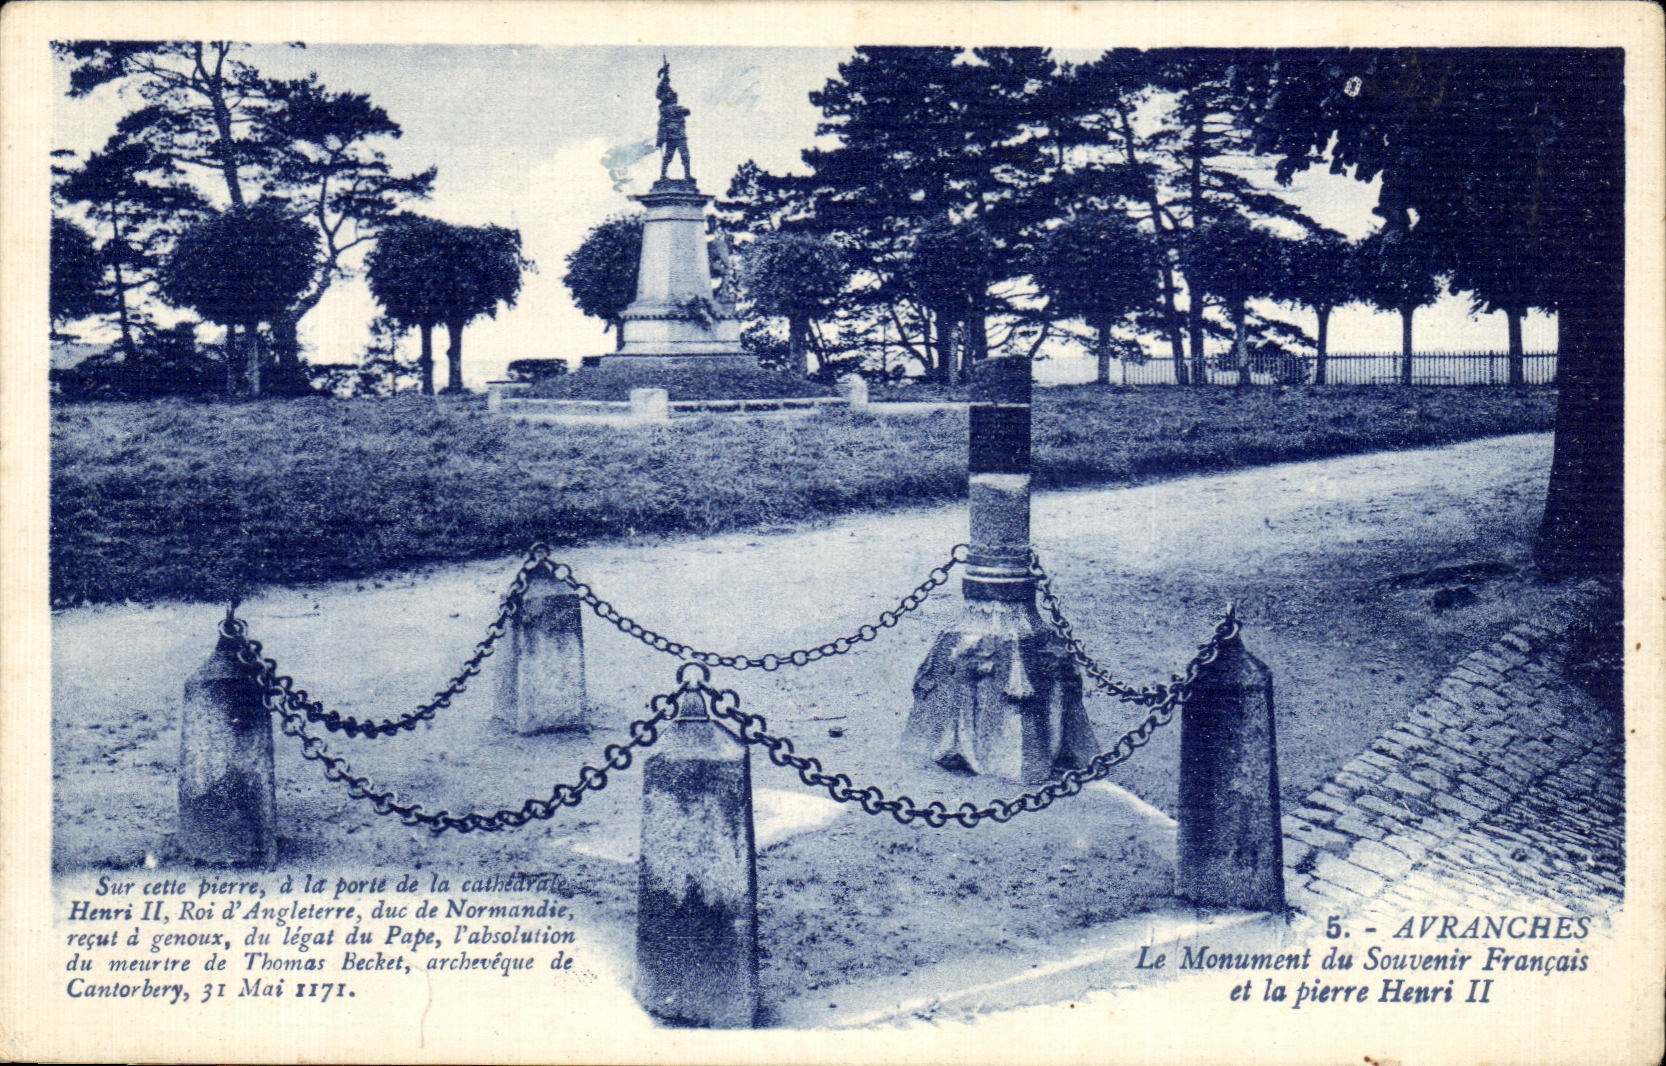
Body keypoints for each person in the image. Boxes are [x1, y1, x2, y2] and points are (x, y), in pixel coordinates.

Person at [655, 60, 693, 181]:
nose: (674, 97)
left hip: (680, 135)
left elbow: (687, 112)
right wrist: (664, 76)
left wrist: (666, 74)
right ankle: (663, 175)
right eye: (671, 96)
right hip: (671, 135)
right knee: (668, 157)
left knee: (685, 156)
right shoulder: (665, 108)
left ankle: (687, 176)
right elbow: (660, 92)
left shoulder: (676, 108)